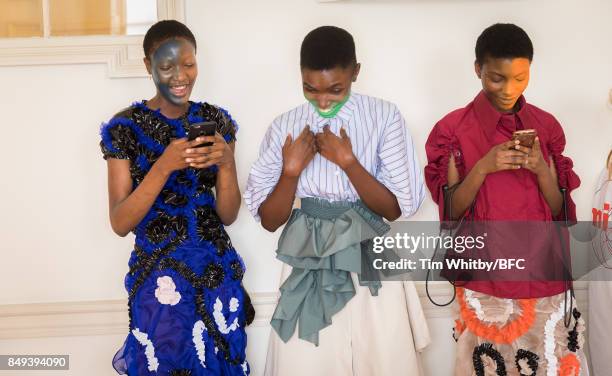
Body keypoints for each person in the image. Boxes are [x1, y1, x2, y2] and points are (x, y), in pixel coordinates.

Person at [244, 26, 430, 376]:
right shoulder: (285, 125)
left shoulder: (384, 116)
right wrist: (291, 172)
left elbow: (396, 208)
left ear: (355, 72)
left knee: (380, 354)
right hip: (307, 257)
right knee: (307, 359)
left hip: (370, 254)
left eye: (336, 89)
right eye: (310, 89)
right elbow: (269, 220)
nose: (323, 100)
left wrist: (349, 162)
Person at [424, 23, 586, 375]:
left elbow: (559, 213)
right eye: (497, 78)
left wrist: (542, 169)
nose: (509, 89)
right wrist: (483, 166)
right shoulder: (452, 130)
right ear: (478, 69)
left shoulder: (546, 126)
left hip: (544, 276)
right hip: (485, 280)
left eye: (520, 78)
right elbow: (450, 212)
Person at [99, 20, 252, 376]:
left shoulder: (215, 121)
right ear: (148, 67)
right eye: (166, 66)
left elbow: (228, 215)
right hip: (160, 281)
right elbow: (120, 222)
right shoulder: (125, 129)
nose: (180, 75)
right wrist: (164, 165)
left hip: (215, 271)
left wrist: (227, 163)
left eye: (188, 63)